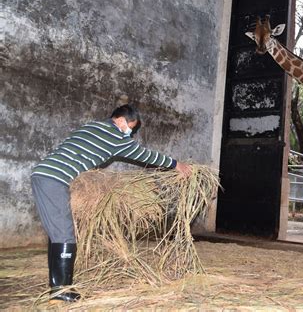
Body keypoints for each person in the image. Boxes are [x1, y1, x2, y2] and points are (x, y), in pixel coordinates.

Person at [30, 104, 192, 303]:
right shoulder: (116, 137)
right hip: (55, 179)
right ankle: (61, 290)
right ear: (122, 121)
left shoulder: (91, 127)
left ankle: (57, 286)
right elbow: (146, 156)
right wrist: (176, 165)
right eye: (131, 127)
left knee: (56, 233)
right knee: (64, 233)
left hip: (42, 173)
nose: (130, 132)